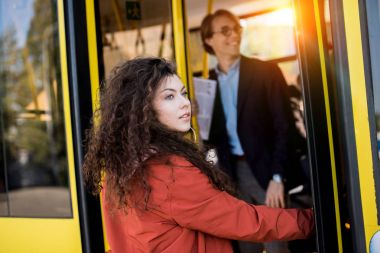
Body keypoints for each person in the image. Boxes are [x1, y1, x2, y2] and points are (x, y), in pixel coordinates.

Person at [82, 57, 314, 253]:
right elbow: (244, 220)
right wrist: (311, 220)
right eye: (169, 97)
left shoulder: (118, 169)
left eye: (183, 94)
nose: (185, 104)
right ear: (143, 108)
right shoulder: (170, 173)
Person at [200, 9, 307, 253]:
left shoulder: (265, 72)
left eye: (237, 28)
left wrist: (278, 178)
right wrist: (213, 172)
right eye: (225, 30)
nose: (234, 35)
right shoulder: (207, 85)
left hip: (267, 173)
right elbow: (210, 144)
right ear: (208, 39)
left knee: (278, 245)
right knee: (245, 248)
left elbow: (284, 127)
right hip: (230, 176)